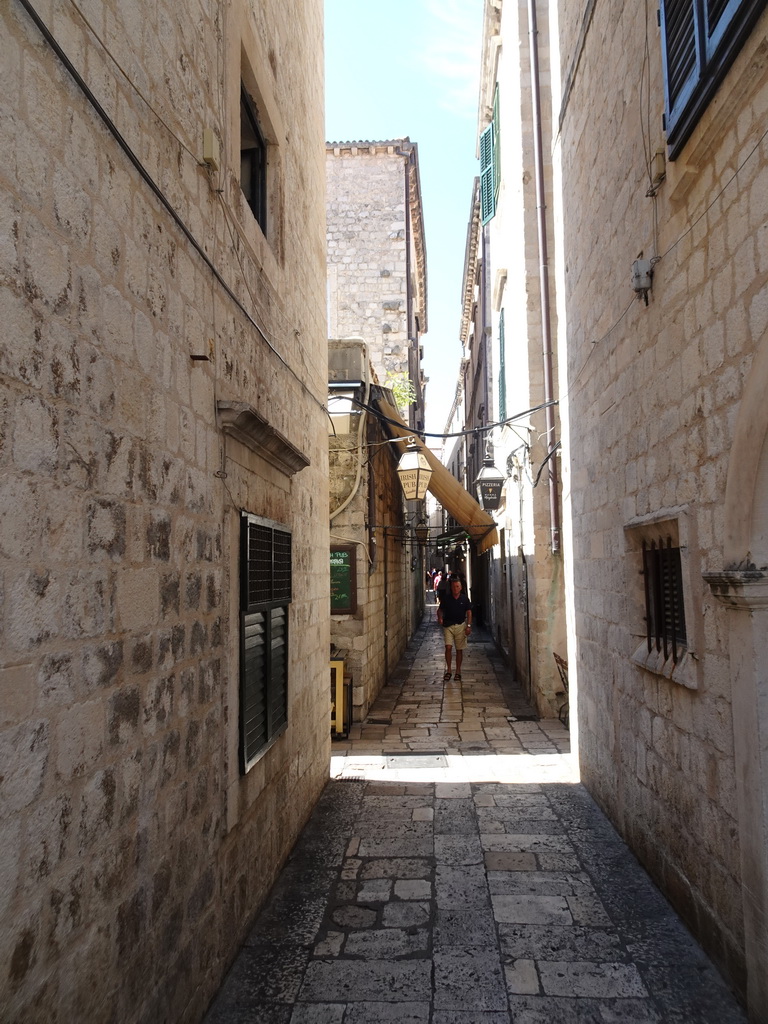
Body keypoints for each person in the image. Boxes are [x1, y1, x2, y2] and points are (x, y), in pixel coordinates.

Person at [436, 575, 472, 681]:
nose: (455, 589)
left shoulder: (465, 599)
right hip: (448, 626)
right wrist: (440, 618)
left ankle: (458, 671)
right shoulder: (447, 599)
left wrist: (468, 625)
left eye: (457, 586)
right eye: (453, 587)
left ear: (460, 588)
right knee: (448, 647)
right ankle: (449, 670)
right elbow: (440, 610)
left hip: (460, 626)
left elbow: (469, 612)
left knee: (459, 649)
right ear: (451, 588)